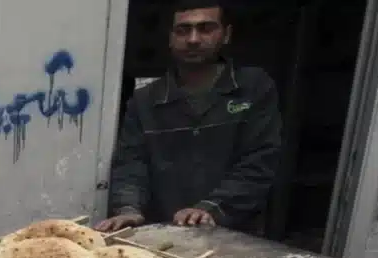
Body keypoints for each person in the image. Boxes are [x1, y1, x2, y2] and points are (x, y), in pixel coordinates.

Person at [96, 0, 282, 233]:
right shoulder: (145, 100)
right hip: (164, 234)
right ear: (170, 38)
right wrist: (128, 209)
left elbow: (260, 161)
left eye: (205, 28)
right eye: (183, 30)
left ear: (226, 34)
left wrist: (212, 207)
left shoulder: (253, 87)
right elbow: (131, 163)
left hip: (234, 233)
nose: (193, 39)